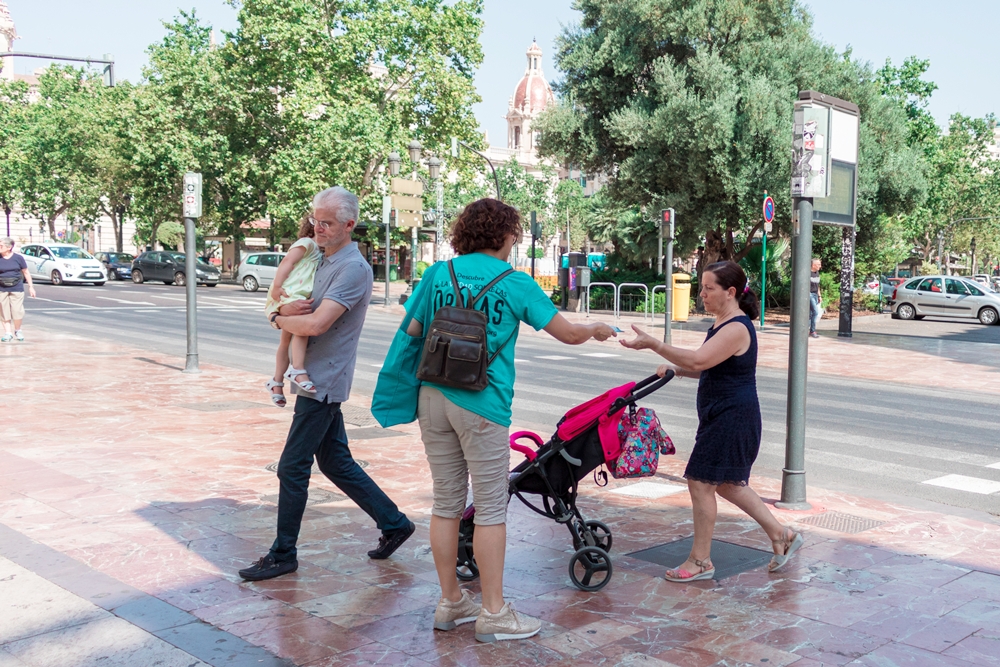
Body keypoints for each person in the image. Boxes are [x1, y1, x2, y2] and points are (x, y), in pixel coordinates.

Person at [394, 198, 616, 642]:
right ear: (507, 234)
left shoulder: (439, 273)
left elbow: (413, 331)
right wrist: (595, 329)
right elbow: (568, 334)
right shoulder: (514, 282)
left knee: (446, 503)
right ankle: (493, 613)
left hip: (432, 396)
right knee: (492, 507)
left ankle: (451, 601)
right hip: (482, 403)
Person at [239, 187, 413, 581]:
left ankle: (283, 554)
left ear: (349, 225)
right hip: (312, 375)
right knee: (334, 461)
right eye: (315, 219)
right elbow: (292, 299)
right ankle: (394, 523)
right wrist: (282, 311)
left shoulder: (353, 269)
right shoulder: (320, 258)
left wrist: (275, 317)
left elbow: (317, 324)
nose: (318, 227)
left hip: (322, 380)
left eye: (327, 223)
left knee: (292, 467)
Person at [620, 261, 802, 582]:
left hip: (732, 418)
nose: (701, 294)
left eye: (708, 288)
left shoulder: (736, 328)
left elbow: (699, 359)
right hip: (722, 415)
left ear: (730, 292)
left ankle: (700, 561)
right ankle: (781, 535)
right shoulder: (723, 323)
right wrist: (677, 370)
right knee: (729, 485)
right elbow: (709, 367)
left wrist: (656, 344)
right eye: (701, 287)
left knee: (701, 482)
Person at [264, 216, 324, 406]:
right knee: (302, 329)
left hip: (295, 294)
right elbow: (287, 262)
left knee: (285, 341)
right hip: (290, 292)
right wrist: (277, 287)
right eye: (321, 224)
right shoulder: (307, 243)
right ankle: (297, 369)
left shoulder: (319, 250)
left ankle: (276, 382)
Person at [0, 238, 35, 342]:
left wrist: (31, 287)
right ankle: (8, 333)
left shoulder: (18, 258)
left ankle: (18, 330)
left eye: (1, 246)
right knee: (3, 311)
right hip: (1, 288)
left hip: (16, 288)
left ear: (9, 247)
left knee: (17, 311)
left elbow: (26, 272)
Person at [809, 257, 822, 338]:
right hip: (809, 294)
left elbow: (817, 285)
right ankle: (812, 331)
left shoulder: (817, 273)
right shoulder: (808, 273)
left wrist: (819, 295)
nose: (820, 266)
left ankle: (808, 329)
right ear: (813, 265)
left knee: (811, 313)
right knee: (815, 312)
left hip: (815, 294)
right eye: (818, 264)